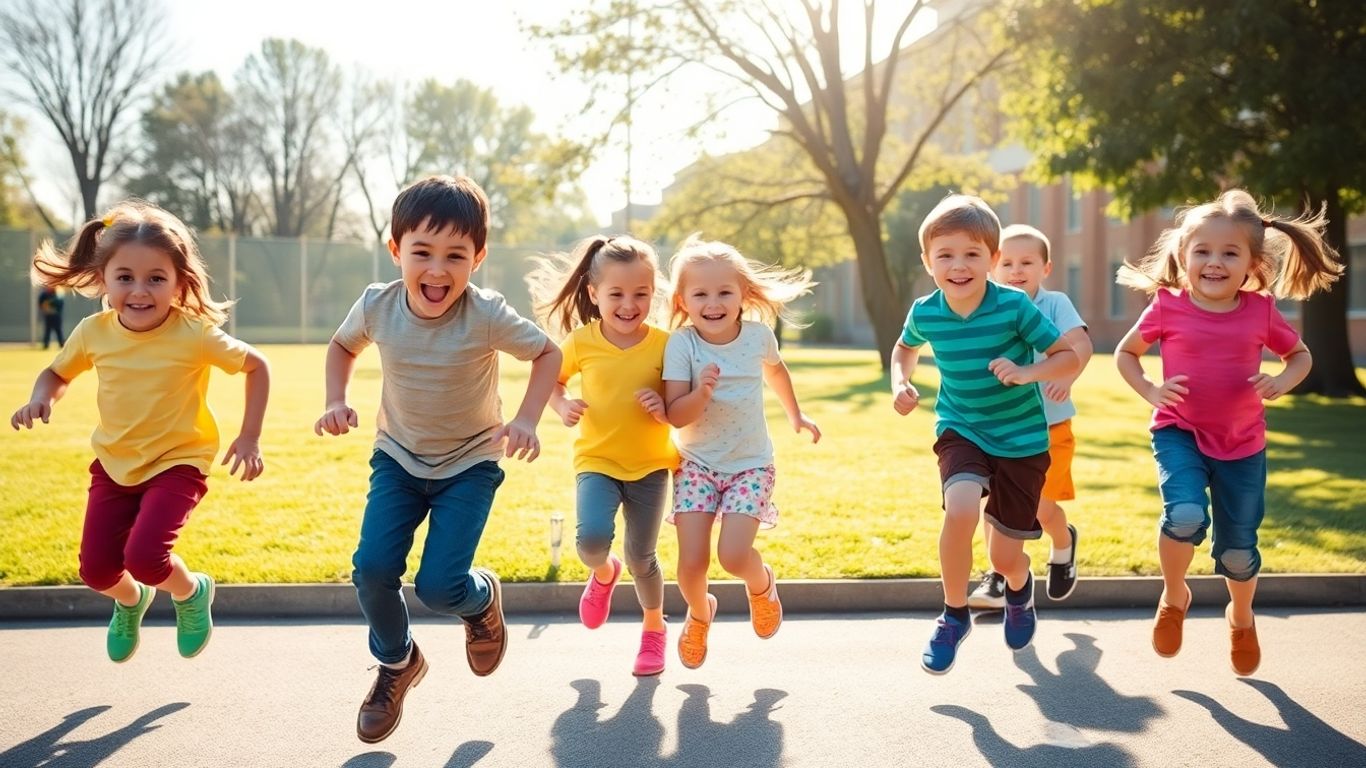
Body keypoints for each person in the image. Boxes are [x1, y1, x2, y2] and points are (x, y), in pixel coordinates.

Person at [314, 175, 560, 743]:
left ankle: (480, 601)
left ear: (478, 258)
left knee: (439, 587)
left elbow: (548, 352)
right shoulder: (377, 304)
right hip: (397, 458)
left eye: (456, 255)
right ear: (396, 250)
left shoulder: (487, 313)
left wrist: (525, 419)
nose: (437, 270)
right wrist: (335, 400)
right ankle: (397, 664)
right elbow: (341, 345)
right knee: (372, 569)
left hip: (470, 464)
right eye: (422, 252)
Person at [9, 200, 269, 663]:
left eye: (156, 278)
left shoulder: (195, 334)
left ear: (179, 281)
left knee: (147, 557)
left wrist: (248, 436)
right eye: (125, 277)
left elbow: (256, 366)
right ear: (103, 277)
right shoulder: (94, 332)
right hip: (114, 463)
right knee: (96, 570)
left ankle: (191, 592)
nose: (139, 290)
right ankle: (131, 602)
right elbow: (56, 374)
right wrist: (41, 398)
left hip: (178, 462)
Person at [1114, 189, 1341, 676]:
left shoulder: (1259, 312)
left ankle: (1240, 616)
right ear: (1183, 255)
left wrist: (1282, 380)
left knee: (1239, 552)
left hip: (1242, 445)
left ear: (1252, 265)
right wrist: (1151, 391)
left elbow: (1300, 356)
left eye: (1229, 253)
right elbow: (1125, 354)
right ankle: (1175, 595)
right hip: (1180, 431)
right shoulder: (1167, 306)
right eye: (1203, 251)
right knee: (1185, 516)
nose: (1214, 262)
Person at [890, 195, 1080, 675]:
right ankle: (954, 614)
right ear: (927, 261)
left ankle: (1019, 589)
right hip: (962, 427)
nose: (958, 265)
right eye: (946, 255)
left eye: (972, 254)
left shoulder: (1014, 306)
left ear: (993, 261)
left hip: (1021, 440)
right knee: (959, 508)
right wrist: (902, 381)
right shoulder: (926, 311)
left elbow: (1067, 357)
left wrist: (1026, 371)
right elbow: (904, 348)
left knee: (1004, 555)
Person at [662, 234, 821, 670]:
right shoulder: (682, 345)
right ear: (683, 300)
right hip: (696, 464)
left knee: (733, 556)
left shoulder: (758, 337)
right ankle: (699, 613)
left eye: (724, 292)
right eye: (701, 294)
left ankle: (761, 584)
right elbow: (677, 415)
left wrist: (797, 416)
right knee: (692, 564)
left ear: (743, 295)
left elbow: (776, 371)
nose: (713, 303)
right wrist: (702, 391)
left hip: (750, 464)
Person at [526, 235, 679, 677]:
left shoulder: (667, 345)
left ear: (654, 294)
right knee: (591, 542)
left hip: (651, 466)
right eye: (617, 294)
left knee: (642, 557)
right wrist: (562, 405)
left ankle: (653, 629)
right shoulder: (580, 342)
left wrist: (664, 406)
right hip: (596, 461)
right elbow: (552, 383)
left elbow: (683, 403)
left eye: (641, 294)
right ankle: (603, 572)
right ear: (594, 294)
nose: (629, 304)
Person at [972, 224, 1093, 607]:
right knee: (997, 503)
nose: (1016, 270)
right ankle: (996, 577)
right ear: (992, 266)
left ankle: (1063, 540)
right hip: (999, 427)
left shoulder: (1055, 303)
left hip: (1049, 427)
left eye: (1027, 262)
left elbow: (1081, 343)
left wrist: (1069, 375)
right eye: (1007, 262)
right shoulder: (985, 306)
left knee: (1039, 507)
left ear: (1046, 268)